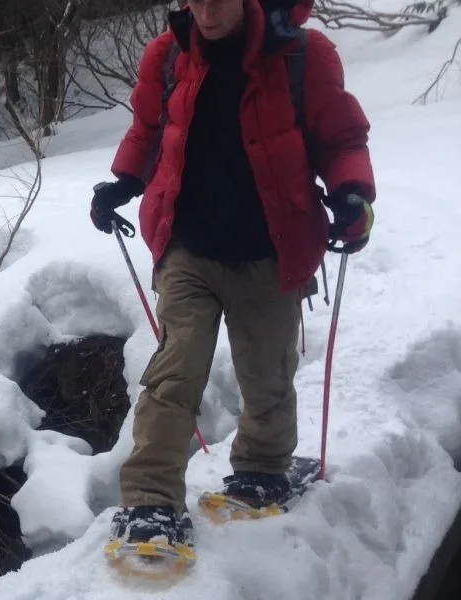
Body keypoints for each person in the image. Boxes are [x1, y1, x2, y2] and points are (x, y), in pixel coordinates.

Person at [89, 0, 376, 555]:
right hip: (187, 247)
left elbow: (341, 139)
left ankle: (265, 468)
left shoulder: (302, 55)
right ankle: (150, 501)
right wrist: (121, 184)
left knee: (266, 373)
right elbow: (148, 129)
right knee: (175, 372)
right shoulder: (167, 55)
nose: (208, 9)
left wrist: (351, 194)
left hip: (270, 249)